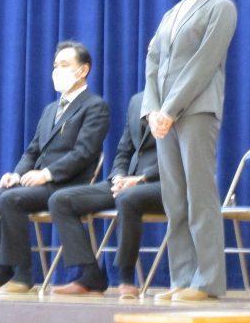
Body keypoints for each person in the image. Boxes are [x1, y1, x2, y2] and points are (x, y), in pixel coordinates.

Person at [0, 41, 110, 294]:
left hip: (66, 184)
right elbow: (33, 150)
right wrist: (17, 174)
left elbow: (84, 153)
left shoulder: (95, 106)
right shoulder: (50, 109)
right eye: (56, 65)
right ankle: (2, 270)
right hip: (36, 183)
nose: (57, 70)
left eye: (65, 65)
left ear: (83, 70)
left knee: (12, 200)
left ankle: (23, 276)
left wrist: (47, 174)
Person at [144, 0, 237, 302]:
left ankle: (208, 280)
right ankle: (182, 278)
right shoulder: (172, 12)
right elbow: (153, 60)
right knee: (175, 199)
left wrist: (169, 109)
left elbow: (203, 64)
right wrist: (153, 109)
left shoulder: (221, 7)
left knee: (200, 196)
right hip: (163, 117)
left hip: (196, 112)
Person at [48, 91, 164, 300]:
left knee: (128, 198)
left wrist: (141, 179)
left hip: (163, 183)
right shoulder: (137, 100)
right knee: (60, 200)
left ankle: (127, 278)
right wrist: (119, 174)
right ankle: (89, 275)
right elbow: (124, 150)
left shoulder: (179, 98)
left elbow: (179, 154)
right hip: (126, 181)